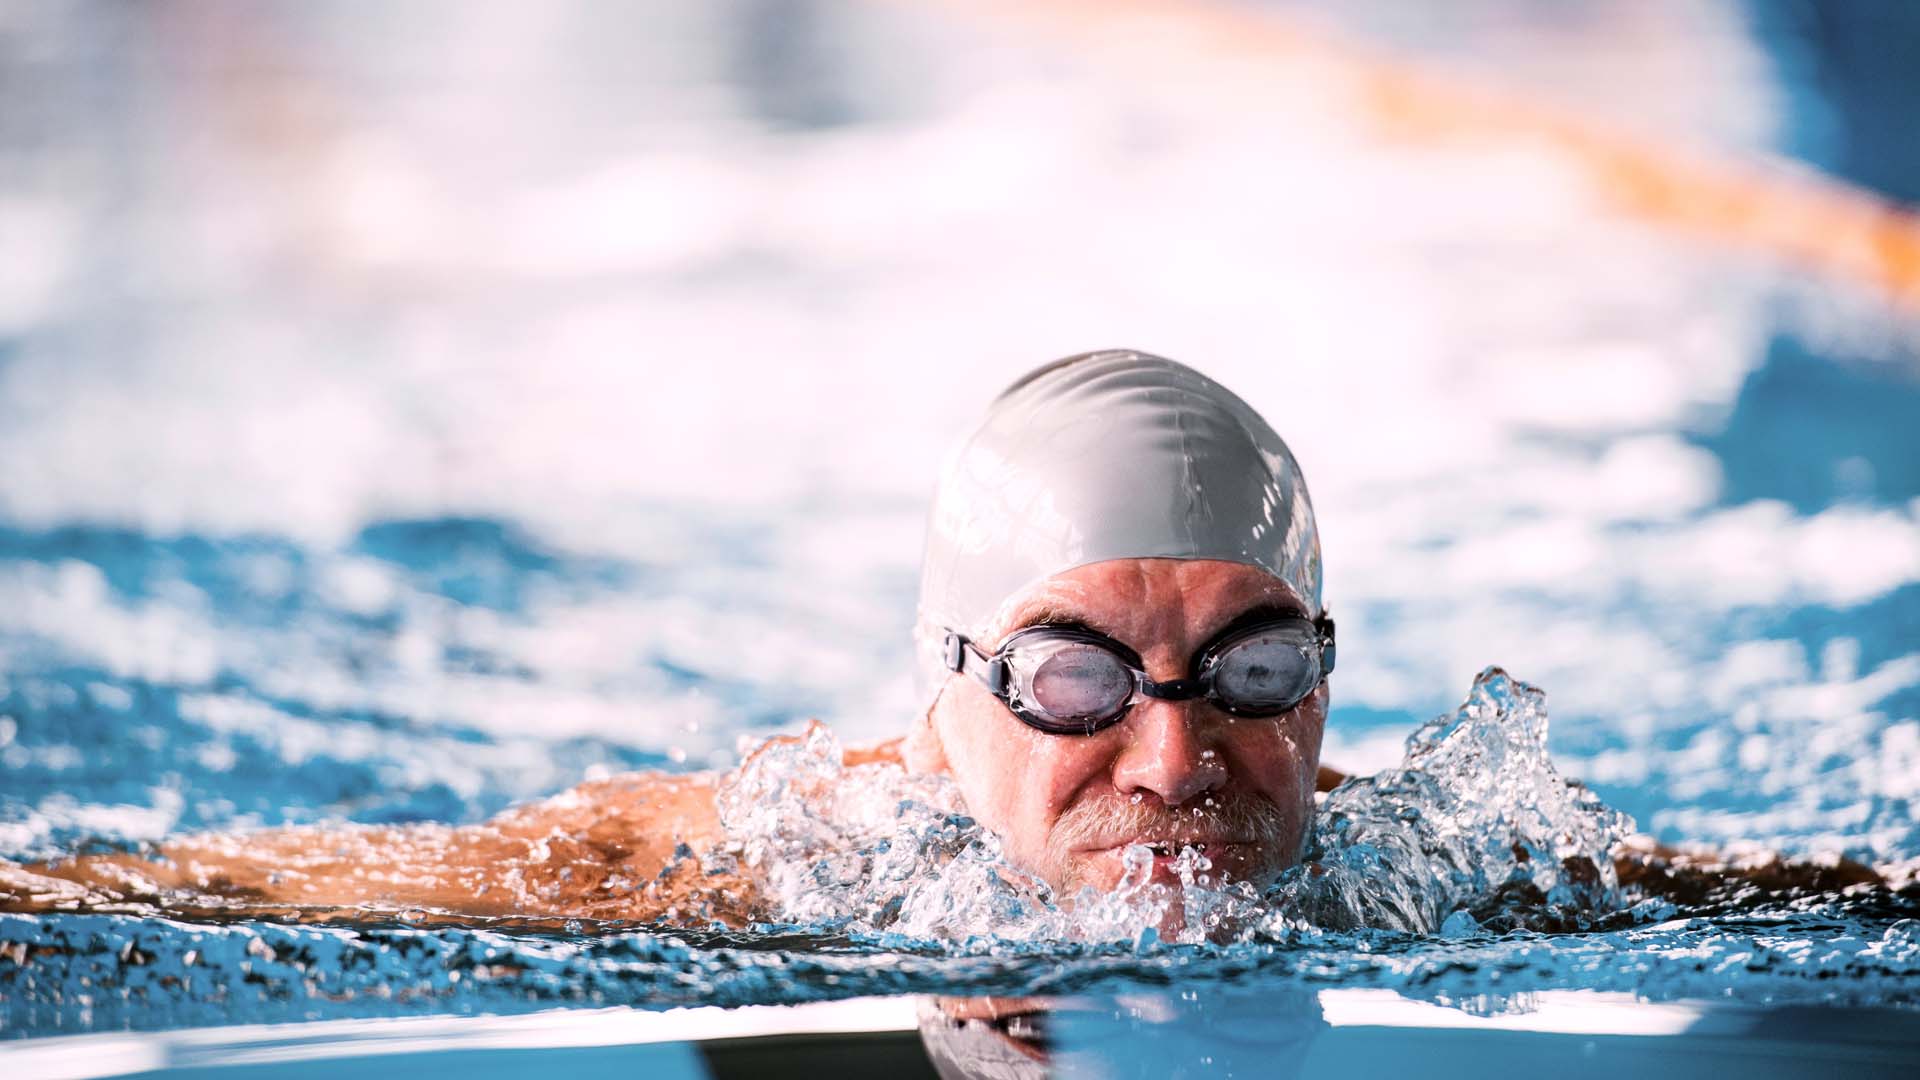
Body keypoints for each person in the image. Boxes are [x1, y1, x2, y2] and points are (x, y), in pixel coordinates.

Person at [0, 350, 1879, 926]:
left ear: (1328, 678)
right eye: (1074, 674)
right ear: (946, 694)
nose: (1171, 761)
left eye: (1251, 671)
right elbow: (203, 886)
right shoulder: (753, 868)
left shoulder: (1446, 865)